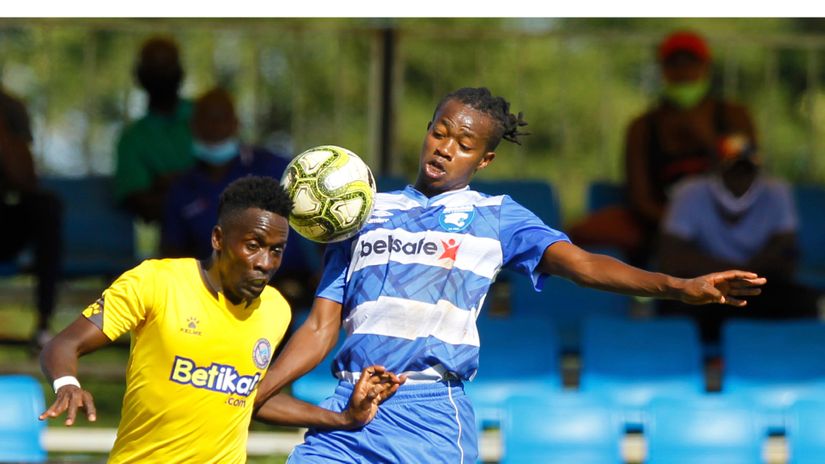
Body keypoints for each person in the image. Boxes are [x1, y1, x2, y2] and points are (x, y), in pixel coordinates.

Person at [251, 87, 766, 463]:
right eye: (439, 131)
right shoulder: (361, 213)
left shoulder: (498, 216)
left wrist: (677, 287)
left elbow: (585, 266)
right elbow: (321, 327)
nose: (445, 148)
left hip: (429, 416)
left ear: (486, 157)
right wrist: (254, 393)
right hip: (346, 404)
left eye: (464, 143)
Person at [39, 176, 403, 463]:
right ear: (218, 238)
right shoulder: (156, 282)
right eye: (253, 245)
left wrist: (344, 419)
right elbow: (64, 344)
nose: (265, 263)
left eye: (276, 251)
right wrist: (67, 383)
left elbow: (250, 399)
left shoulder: (275, 310)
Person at [568, 30, 757, 265]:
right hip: (661, 226)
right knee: (579, 233)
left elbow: (747, 180)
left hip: (727, 220)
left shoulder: (734, 116)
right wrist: (681, 225)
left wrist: (707, 141)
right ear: (663, 71)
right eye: (675, 65)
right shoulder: (642, 127)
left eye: (691, 64)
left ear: (706, 68)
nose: (684, 73)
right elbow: (640, 198)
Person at [161, 88, 317, 308]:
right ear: (193, 126)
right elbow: (172, 252)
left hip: (285, 284)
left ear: (236, 123)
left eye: (221, 119)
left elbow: (317, 217)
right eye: (207, 120)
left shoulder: (275, 167)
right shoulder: (182, 188)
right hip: (212, 292)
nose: (214, 127)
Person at [658, 134, 821, 343]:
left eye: (746, 171)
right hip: (705, 286)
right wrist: (728, 274)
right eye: (732, 170)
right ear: (716, 170)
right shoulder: (689, 192)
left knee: (806, 304)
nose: (739, 179)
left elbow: (786, 251)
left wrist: (744, 276)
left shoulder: (777, 191)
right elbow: (671, 257)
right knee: (676, 309)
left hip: (758, 287)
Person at [0, 86, 63, 348]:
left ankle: (43, 325)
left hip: (5, 221)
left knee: (46, 206)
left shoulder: (9, 106)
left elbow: (26, 179)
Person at [114, 36, 196, 222]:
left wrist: (166, 183)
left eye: (166, 66)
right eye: (154, 67)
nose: (161, 75)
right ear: (141, 75)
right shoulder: (131, 139)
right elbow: (141, 202)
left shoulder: (206, 116)